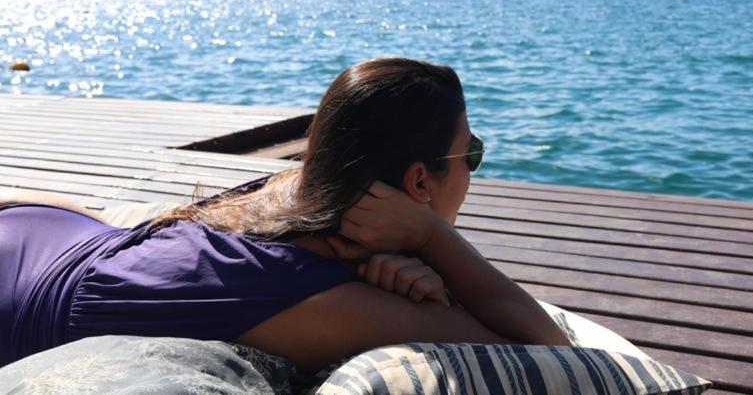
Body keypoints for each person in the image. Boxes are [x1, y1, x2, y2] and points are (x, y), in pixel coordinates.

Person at [0, 57, 569, 371]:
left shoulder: (289, 190)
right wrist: (433, 239)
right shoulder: (330, 303)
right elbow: (548, 354)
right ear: (419, 180)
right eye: (471, 153)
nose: (474, 166)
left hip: (48, 233)